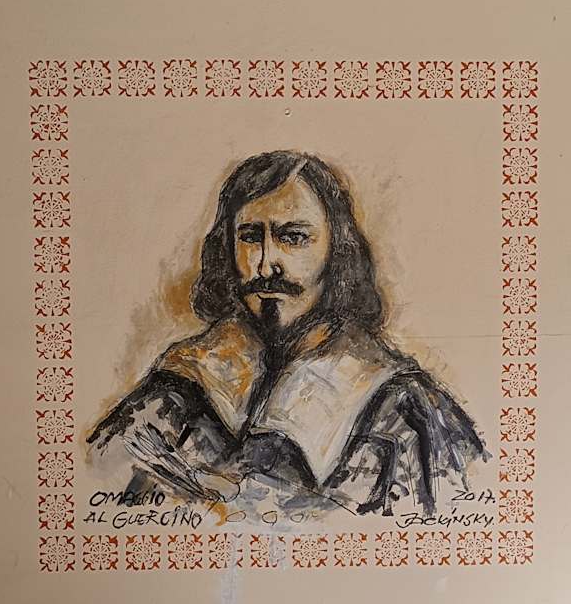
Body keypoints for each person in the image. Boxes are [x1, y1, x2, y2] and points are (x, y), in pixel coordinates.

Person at [87, 151, 485, 520]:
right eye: (249, 237)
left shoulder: (407, 408)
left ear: (337, 252)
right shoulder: (173, 391)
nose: (266, 264)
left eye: (293, 237)